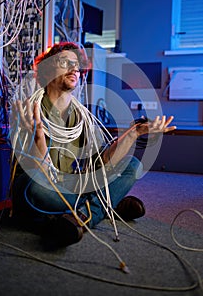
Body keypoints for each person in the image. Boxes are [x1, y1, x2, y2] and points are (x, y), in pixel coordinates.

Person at [10, 42, 176, 248]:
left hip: (72, 187)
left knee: (132, 166)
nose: (74, 69)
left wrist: (133, 134)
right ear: (46, 69)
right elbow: (38, 173)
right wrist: (38, 136)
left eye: (77, 65)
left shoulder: (82, 117)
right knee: (36, 186)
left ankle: (79, 218)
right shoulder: (28, 110)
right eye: (65, 62)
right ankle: (106, 205)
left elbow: (104, 161)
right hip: (41, 188)